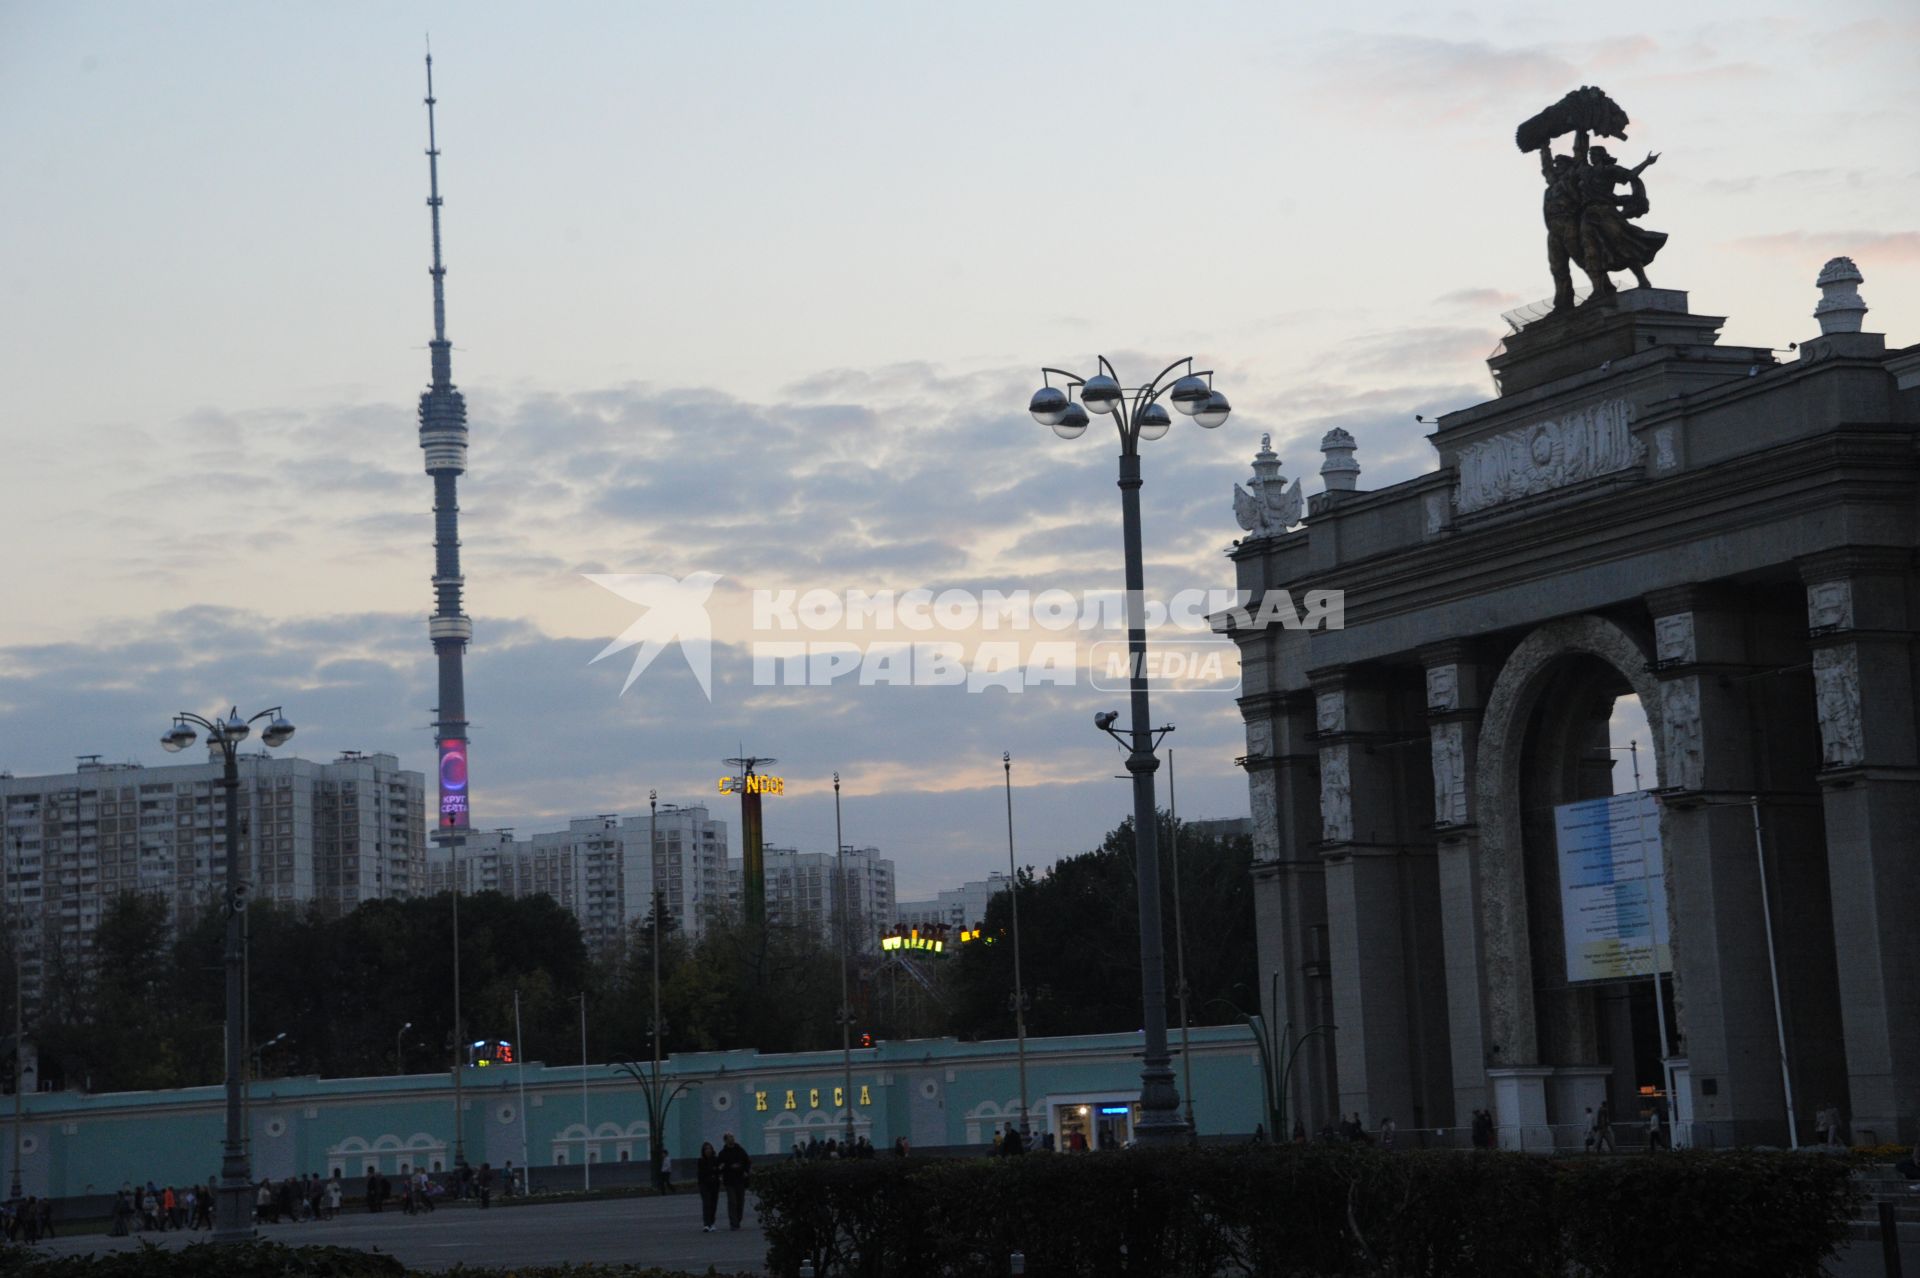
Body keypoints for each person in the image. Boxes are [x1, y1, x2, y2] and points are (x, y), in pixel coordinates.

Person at [718, 1131, 751, 1231]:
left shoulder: (740, 1150)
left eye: (732, 1136)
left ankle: (738, 1219)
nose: (732, 1139)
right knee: (732, 1201)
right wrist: (727, 1168)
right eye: (729, 1137)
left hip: (740, 1179)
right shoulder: (723, 1153)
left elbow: (747, 1161)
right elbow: (720, 1166)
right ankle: (733, 1223)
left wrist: (746, 1171)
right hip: (729, 1180)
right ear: (725, 1140)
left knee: (740, 1201)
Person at [696, 1140, 722, 1233]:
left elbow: (718, 1171)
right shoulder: (701, 1161)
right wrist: (713, 1170)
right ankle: (706, 1224)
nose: (708, 1151)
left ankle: (712, 1222)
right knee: (706, 1204)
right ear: (703, 1151)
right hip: (704, 1185)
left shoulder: (716, 1159)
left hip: (714, 1184)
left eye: (709, 1149)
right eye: (706, 1149)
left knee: (713, 1204)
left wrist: (715, 1171)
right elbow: (702, 1173)